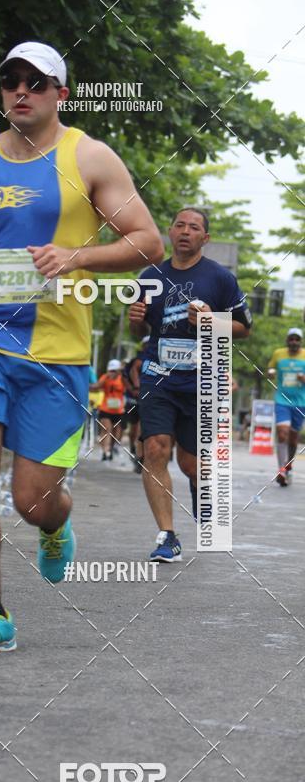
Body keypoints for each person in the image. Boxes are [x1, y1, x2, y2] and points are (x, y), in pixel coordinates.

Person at [0, 41, 163, 654]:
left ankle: (56, 524)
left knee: (33, 500)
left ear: (63, 92)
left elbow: (147, 242)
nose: (20, 90)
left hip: (57, 352)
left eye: (36, 81)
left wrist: (75, 257)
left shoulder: (90, 156)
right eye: (10, 80)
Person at [129, 207, 251, 562]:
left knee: (191, 464)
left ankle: (203, 499)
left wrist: (212, 321)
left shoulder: (220, 279)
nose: (185, 231)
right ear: (169, 231)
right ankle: (167, 536)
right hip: (158, 375)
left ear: (205, 238)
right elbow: (139, 331)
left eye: (194, 227)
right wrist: (135, 320)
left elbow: (243, 328)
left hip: (202, 381)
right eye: (179, 225)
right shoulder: (150, 276)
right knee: (155, 448)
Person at [267, 327, 305, 486]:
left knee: (293, 438)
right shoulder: (278, 353)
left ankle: (289, 467)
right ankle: (281, 470)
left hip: (300, 403)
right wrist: (270, 373)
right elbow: (271, 368)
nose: (294, 342)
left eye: (297, 339)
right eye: (291, 339)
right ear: (287, 340)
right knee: (282, 434)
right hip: (282, 400)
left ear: (300, 342)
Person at [90, 358, 125, 460]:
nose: (112, 372)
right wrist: (85, 386)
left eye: (114, 370)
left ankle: (111, 449)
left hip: (119, 410)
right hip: (105, 409)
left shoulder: (123, 379)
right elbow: (96, 387)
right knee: (106, 430)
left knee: (115, 433)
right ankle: (106, 452)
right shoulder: (105, 377)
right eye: (111, 370)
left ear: (119, 371)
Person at [123, 335, 149, 472]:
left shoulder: (159, 357)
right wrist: (135, 388)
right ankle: (134, 448)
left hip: (149, 399)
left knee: (141, 428)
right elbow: (126, 377)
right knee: (133, 429)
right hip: (133, 399)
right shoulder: (135, 361)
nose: (148, 346)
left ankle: (140, 458)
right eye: (146, 344)